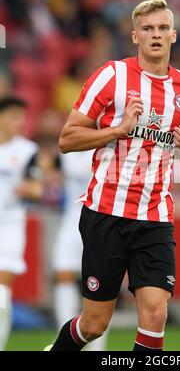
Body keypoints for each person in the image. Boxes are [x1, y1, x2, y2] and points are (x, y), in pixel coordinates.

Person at [47, 0, 180, 351]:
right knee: (94, 325)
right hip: (106, 213)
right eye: (147, 29)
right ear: (135, 36)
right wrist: (117, 130)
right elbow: (67, 139)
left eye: (163, 28)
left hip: (155, 216)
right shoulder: (111, 76)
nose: (156, 35)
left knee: (155, 314)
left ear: (174, 35)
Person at [53, 150, 108, 350]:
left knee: (99, 284)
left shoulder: (109, 144)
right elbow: (52, 176)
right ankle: (64, 341)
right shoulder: (67, 149)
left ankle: (97, 348)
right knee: (63, 275)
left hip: (101, 218)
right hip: (71, 218)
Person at [0, 97, 41, 351]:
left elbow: (37, 188)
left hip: (10, 225)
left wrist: (31, 188)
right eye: (14, 116)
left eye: (22, 116)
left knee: (2, 290)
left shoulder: (27, 150)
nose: (20, 122)